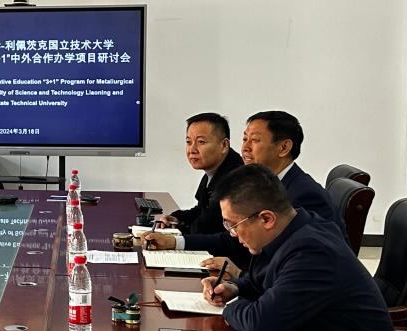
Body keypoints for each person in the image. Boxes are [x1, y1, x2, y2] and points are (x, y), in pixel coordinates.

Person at [201, 163, 393, 331]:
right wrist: (234, 288)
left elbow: (262, 322)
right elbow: (261, 281)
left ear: (266, 219)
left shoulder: (313, 252)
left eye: (233, 225)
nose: (233, 234)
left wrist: (228, 309)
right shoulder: (293, 229)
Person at [143, 110, 343, 269]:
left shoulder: (305, 194)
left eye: (254, 140)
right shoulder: (263, 183)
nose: (245, 148)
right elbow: (234, 236)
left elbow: (300, 264)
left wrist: (240, 276)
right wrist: (175, 241)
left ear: (283, 148)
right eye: (245, 139)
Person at [160, 112, 243, 236]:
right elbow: (202, 210)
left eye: (201, 142)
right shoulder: (216, 169)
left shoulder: (235, 178)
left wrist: (173, 233)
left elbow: (204, 228)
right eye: (189, 142)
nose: (192, 150)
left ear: (224, 145)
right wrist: (177, 218)